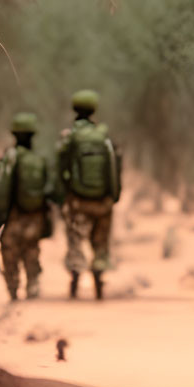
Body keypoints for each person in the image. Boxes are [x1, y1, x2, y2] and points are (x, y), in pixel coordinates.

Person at [55, 89, 121, 300]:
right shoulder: (104, 137)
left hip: (78, 201)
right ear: (94, 110)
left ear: (75, 109)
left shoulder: (71, 137)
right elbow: (114, 167)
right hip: (103, 202)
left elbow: (61, 168)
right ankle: (99, 282)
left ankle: (75, 282)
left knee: (75, 241)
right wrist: (113, 196)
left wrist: (64, 195)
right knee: (100, 244)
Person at [0, 112, 53, 301]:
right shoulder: (39, 161)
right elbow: (48, 192)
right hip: (34, 217)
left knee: (9, 253)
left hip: (12, 218)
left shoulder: (8, 160)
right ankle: (33, 285)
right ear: (32, 135)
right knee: (32, 251)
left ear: (14, 135)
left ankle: (13, 289)